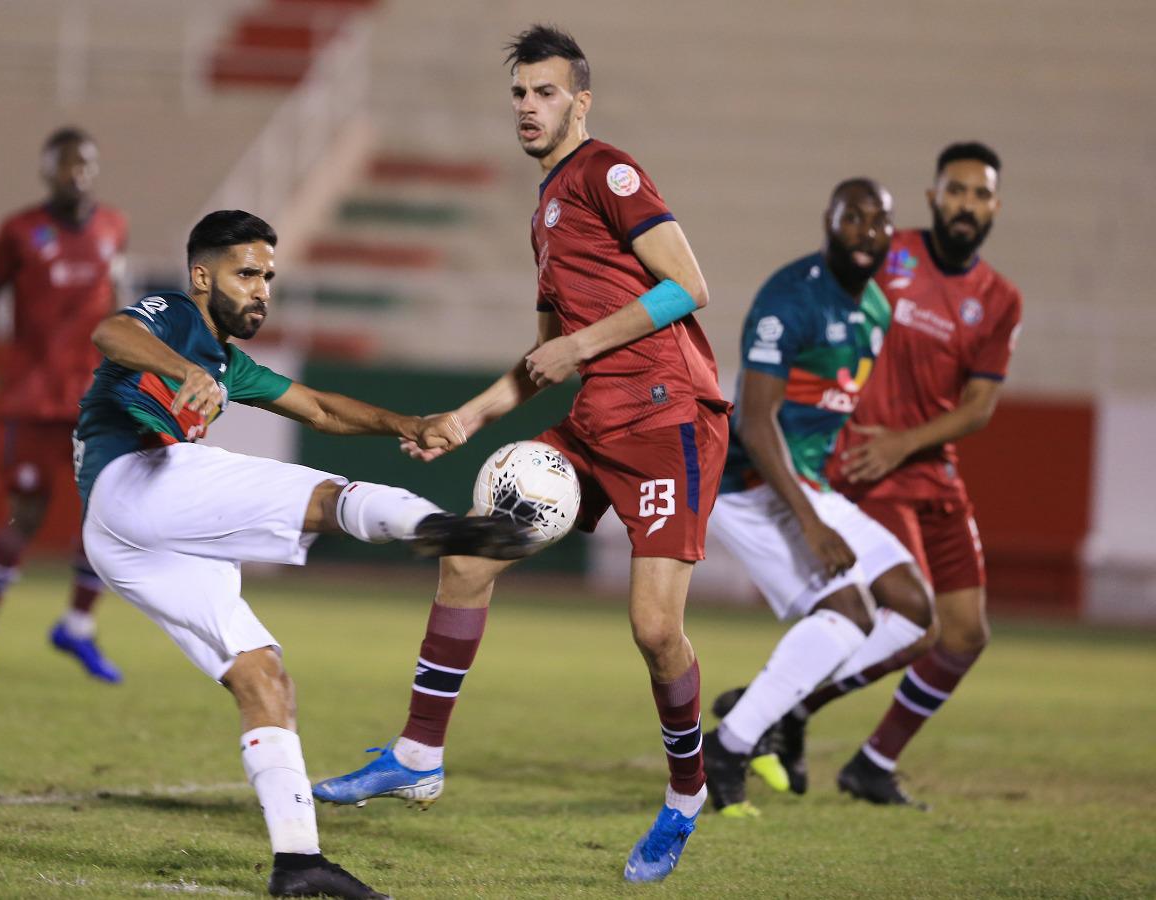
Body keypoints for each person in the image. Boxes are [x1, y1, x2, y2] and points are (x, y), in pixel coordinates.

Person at [312, 26, 730, 884]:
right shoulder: (543, 211)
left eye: (545, 93)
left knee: (655, 630)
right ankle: (418, 755)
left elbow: (690, 284)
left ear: (581, 99)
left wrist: (581, 351)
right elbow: (545, 356)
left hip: (667, 420)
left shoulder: (610, 172)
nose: (529, 108)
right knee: (467, 556)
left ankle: (686, 794)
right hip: (593, 422)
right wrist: (466, 419)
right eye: (518, 94)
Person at [77, 209, 531, 899]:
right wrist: (180, 370)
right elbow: (110, 332)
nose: (262, 289)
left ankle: (298, 863)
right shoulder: (172, 313)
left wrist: (408, 423)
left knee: (264, 677)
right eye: (246, 274)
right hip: (134, 479)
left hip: (126, 540)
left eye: (269, 277)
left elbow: (319, 409)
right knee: (327, 497)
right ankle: (442, 530)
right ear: (203, 276)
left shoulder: (229, 362)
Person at [769, 142, 1024, 808]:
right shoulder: (886, 253)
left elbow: (979, 407)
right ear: (934, 195)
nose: (966, 203)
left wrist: (907, 441)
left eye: (979, 194)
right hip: (865, 467)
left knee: (967, 634)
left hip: (931, 470)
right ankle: (774, 710)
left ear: (994, 206)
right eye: (955, 189)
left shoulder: (999, 300)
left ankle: (869, 761)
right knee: (920, 621)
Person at [702, 180, 935, 816]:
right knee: (849, 614)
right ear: (828, 223)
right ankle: (727, 747)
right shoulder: (790, 297)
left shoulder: (878, 314)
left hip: (806, 484)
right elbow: (755, 422)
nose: (867, 231)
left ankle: (778, 706)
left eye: (879, 221)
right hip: (750, 485)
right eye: (852, 218)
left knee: (914, 612)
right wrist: (811, 523)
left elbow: (825, 405)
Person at [0, 126, 129, 684]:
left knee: (111, 516)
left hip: (94, 398)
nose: (77, 173)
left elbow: (118, 299)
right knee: (26, 516)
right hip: (34, 397)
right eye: (67, 163)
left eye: (87, 163)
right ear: (46, 167)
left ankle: (77, 626)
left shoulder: (112, 227)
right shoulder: (19, 230)